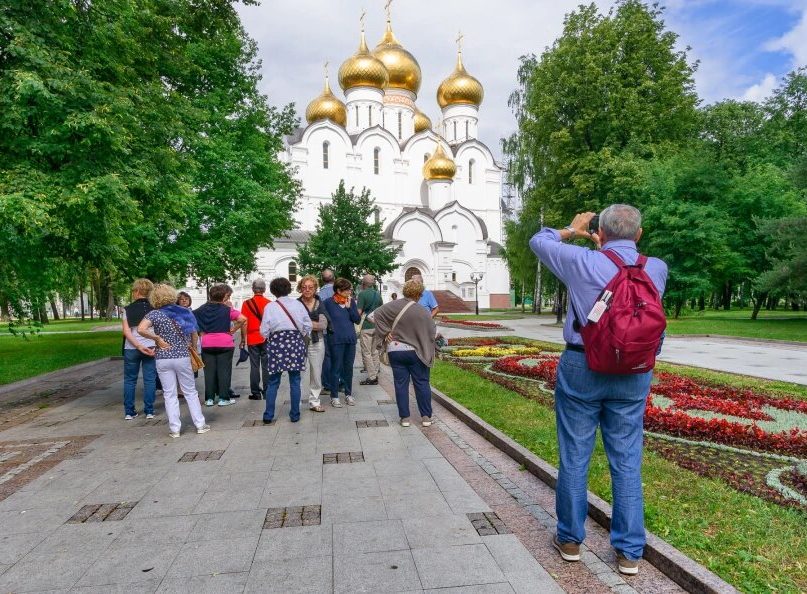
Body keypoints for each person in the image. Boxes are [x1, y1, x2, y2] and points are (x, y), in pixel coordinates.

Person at [529, 204, 668, 576]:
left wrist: (572, 230)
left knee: (575, 454)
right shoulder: (656, 267)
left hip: (582, 364)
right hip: (635, 369)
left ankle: (571, 540)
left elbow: (538, 241)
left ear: (600, 233)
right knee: (626, 459)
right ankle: (628, 552)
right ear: (638, 235)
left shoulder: (581, 261)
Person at [136, 284, 209, 438]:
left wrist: (156, 338)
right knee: (190, 391)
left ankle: (175, 429)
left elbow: (141, 329)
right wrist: (194, 348)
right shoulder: (184, 312)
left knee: (169, 394)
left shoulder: (154, 314)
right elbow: (194, 333)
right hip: (182, 356)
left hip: (163, 357)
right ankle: (200, 424)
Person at [371, 280, 436, 427]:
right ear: (419, 294)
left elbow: (374, 316)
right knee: (422, 382)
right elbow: (431, 332)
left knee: (400, 384)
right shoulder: (423, 312)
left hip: (395, 351)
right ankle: (426, 417)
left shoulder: (391, 306)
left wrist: (385, 332)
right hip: (416, 353)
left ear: (404, 291)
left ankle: (405, 418)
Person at [259, 277, 312, 423]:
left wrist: (271, 335)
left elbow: (264, 331)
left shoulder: (270, 307)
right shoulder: (298, 304)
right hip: (295, 341)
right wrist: (300, 334)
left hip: (276, 343)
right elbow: (308, 325)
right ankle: (295, 414)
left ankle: (268, 415)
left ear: (273, 291)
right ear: (289, 289)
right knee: (295, 379)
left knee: (273, 381)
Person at [194, 284, 247, 407]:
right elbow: (243, 319)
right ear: (224, 296)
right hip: (224, 342)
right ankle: (223, 398)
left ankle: (209, 399)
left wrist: (200, 332)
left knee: (209, 372)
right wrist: (234, 329)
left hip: (207, 343)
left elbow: (193, 322)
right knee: (224, 371)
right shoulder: (227, 310)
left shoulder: (199, 310)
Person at [121, 278, 157, 420]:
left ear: (136, 291)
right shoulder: (155, 309)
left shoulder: (127, 309)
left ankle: (129, 412)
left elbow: (126, 331)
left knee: (130, 380)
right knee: (150, 379)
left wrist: (137, 345)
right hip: (151, 347)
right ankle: (149, 410)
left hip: (132, 348)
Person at [321, 278, 360, 407]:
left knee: (348, 368)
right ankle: (334, 396)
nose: (350, 291)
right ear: (339, 290)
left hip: (350, 339)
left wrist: (349, 308)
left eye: (350, 289)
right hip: (336, 340)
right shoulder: (328, 303)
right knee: (336, 368)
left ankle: (348, 394)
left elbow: (357, 320)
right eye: (348, 289)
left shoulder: (351, 302)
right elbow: (323, 320)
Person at [298, 275, 327, 412]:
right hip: (299, 343)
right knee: (298, 373)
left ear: (315, 288)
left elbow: (323, 325)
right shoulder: (296, 304)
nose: (307, 290)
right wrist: (312, 324)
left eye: (310, 287)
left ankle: (314, 401)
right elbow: (296, 325)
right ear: (300, 288)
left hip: (317, 341)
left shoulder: (320, 303)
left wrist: (305, 324)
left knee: (316, 372)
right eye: (304, 287)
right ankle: (296, 400)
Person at [240, 279, 272, 400]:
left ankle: (255, 392)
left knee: (254, 366)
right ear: (264, 290)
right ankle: (267, 391)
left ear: (253, 289)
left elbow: (243, 322)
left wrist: (243, 339)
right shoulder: (269, 303)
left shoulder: (246, 304)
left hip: (252, 338)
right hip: (266, 337)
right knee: (266, 365)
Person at [357, 274, 383, 386]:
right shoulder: (378, 294)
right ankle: (376, 372)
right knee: (375, 351)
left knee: (366, 352)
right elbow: (382, 309)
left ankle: (372, 377)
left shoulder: (362, 294)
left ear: (363, 283)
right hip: (376, 326)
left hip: (366, 326)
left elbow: (359, 312)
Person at [318, 268, 336, 396]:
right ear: (333, 277)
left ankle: (328, 384)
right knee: (339, 356)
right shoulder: (339, 292)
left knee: (327, 357)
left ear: (322, 279)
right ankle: (339, 382)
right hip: (339, 329)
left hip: (325, 330)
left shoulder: (320, 295)